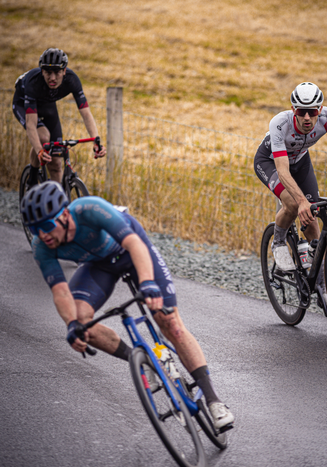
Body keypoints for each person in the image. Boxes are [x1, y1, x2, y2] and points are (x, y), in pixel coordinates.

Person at [20, 181, 234, 430]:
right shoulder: (41, 246)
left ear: (65, 215)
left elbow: (134, 244)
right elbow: (60, 291)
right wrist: (71, 325)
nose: (42, 235)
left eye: (46, 225)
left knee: (170, 323)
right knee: (82, 324)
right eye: (35, 229)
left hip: (132, 251)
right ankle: (143, 360)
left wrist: (148, 284)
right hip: (99, 265)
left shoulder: (90, 210)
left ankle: (214, 401)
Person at [254, 81, 327, 307]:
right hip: (270, 162)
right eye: (301, 111)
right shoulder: (279, 124)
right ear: (293, 110)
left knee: (313, 221)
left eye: (313, 111)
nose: (308, 117)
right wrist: (301, 202)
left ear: (320, 109)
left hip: (300, 162)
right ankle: (278, 242)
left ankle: (321, 289)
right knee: (292, 204)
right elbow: (281, 170)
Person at [12, 48, 106, 187]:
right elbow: (31, 125)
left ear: (64, 71)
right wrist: (39, 151)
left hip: (48, 105)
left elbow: (86, 113)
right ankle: (32, 178)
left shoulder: (72, 80)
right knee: (43, 137)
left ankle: (58, 204)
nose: (53, 78)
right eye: (48, 73)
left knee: (56, 164)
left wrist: (96, 140)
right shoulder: (34, 82)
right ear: (42, 71)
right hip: (23, 105)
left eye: (57, 72)